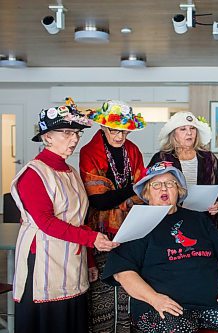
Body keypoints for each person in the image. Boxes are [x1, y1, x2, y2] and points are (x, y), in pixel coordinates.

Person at [101, 161, 218, 332]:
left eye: (170, 184)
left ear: (179, 190)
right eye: (156, 185)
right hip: (162, 306)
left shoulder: (198, 219)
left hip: (213, 302)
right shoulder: (137, 223)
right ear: (146, 193)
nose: (164, 189)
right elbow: (122, 273)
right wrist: (154, 299)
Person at [10, 98, 119, 333]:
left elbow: (79, 218)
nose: (75, 139)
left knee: (71, 320)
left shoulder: (70, 171)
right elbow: (46, 222)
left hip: (73, 259)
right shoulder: (33, 174)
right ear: (47, 136)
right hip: (43, 260)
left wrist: (89, 260)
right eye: (67, 133)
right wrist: (91, 240)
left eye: (77, 133)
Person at [79, 100, 147, 332]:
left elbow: (143, 192)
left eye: (124, 131)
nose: (119, 136)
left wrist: (122, 194)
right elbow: (99, 200)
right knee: (102, 288)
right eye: (114, 130)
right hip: (101, 232)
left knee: (132, 284)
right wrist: (131, 189)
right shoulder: (90, 152)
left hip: (133, 229)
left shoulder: (133, 150)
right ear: (103, 128)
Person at [148, 111, 218, 227]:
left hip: (202, 220)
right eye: (183, 129)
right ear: (173, 134)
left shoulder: (208, 158)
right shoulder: (161, 158)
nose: (189, 133)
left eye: (192, 128)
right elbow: (148, 190)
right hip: (169, 221)